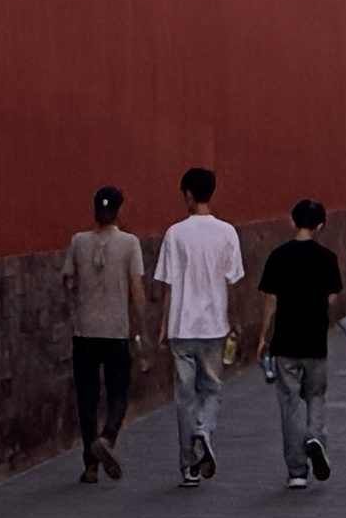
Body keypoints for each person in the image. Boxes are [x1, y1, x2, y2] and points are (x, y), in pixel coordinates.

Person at [154, 170, 245, 485]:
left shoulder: (175, 234)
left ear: (188, 194)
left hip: (181, 325)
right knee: (212, 389)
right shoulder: (227, 233)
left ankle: (188, 467)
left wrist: (162, 323)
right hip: (213, 325)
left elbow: (166, 284)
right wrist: (233, 319)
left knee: (184, 395)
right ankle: (203, 430)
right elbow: (232, 282)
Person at [254, 196, 346, 490]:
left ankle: (296, 470)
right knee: (316, 395)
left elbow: (270, 299)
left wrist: (263, 335)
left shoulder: (278, 256)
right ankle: (315, 435)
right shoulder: (327, 258)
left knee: (289, 404)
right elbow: (333, 296)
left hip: (285, 341)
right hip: (315, 340)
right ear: (320, 225)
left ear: (291, 221)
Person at [64, 185, 145, 483]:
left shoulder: (78, 242)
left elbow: (68, 282)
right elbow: (136, 288)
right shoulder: (129, 243)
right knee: (118, 393)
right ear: (119, 211)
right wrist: (142, 326)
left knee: (87, 397)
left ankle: (89, 465)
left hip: (85, 332)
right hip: (116, 331)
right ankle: (107, 438)